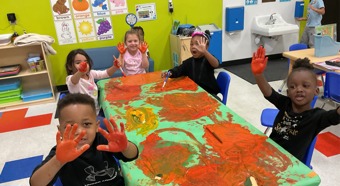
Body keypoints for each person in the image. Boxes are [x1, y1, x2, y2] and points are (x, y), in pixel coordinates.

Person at [251, 46, 340, 162]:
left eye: (305, 86)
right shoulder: (285, 104)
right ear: (288, 92)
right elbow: (269, 93)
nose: (299, 89)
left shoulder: (316, 117)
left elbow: (335, 115)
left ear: (316, 91)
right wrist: (258, 75)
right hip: (267, 155)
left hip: (288, 167)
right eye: (293, 87)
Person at [29, 93, 139, 186]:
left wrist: (126, 147)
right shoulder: (61, 152)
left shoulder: (103, 140)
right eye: (71, 126)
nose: (80, 132)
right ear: (60, 130)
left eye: (86, 124)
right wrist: (58, 161)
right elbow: (35, 183)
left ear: (96, 126)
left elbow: (132, 155)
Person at [161, 30, 220, 100]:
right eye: (191, 44)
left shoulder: (208, 60)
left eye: (197, 44)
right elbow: (179, 70)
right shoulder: (189, 62)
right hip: (195, 94)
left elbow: (216, 64)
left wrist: (205, 52)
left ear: (206, 47)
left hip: (209, 94)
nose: (193, 47)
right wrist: (170, 72)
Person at [65, 49, 118, 115]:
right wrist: (80, 71)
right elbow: (73, 81)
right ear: (70, 66)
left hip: (95, 109)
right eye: (78, 63)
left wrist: (115, 67)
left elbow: (105, 73)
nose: (83, 64)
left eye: (86, 62)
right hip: (83, 114)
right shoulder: (71, 79)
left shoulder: (90, 73)